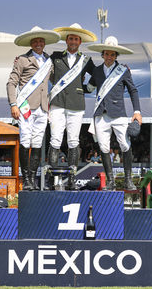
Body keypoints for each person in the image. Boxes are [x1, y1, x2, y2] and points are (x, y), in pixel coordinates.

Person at [6, 26, 60, 190]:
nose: (38, 43)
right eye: (35, 41)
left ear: (44, 43)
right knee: (25, 140)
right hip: (26, 107)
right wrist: (13, 104)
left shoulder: (49, 61)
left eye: (41, 41)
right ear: (31, 43)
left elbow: (57, 78)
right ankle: (26, 179)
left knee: (37, 143)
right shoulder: (22, 60)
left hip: (43, 107)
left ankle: (32, 179)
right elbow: (11, 83)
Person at [87, 36, 142, 190]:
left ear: (116, 55)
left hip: (119, 114)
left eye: (112, 54)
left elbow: (133, 90)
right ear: (102, 54)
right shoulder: (97, 71)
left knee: (125, 144)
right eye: (107, 54)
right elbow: (89, 88)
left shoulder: (123, 70)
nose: (109, 57)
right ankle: (110, 181)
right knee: (104, 147)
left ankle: (128, 180)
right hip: (101, 115)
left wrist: (137, 111)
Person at [48, 23, 97, 190]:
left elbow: (97, 75)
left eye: (76, 39)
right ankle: (52, 178)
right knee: (55, 138)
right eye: (71, 38)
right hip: (57, 102)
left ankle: (71, 178)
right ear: (66, 40)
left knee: (73, 140)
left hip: (76, 104)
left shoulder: (86, 60)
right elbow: (45, 72)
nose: (73, 41)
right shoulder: (55, 56)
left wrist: (85, 88)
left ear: (80, 42)